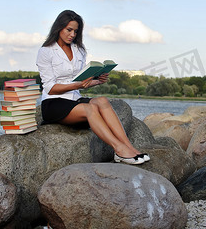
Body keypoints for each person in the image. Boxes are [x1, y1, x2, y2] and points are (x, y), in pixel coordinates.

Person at [36, 10, 149, 165]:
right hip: (54, 103)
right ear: (59, 28)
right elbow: (50, 88)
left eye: (76, 31)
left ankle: (129, 147)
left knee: (101, 100)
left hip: (74, 99)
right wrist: (77, 85)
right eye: (69, 30)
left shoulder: (79, 50)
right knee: (90, 109)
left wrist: (96, 80)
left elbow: (80, 81)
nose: (72, 35)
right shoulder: (46, 51)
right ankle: (119, 149)